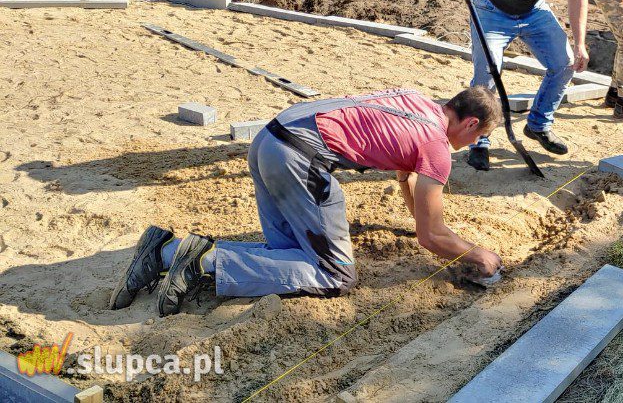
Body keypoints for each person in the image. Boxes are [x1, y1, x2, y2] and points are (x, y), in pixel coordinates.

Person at [109, 87, 503, 316]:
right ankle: (204, 261)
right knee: (336, 275)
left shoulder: (415, 101)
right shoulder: (438, 146)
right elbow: (431, 235)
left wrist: (416, 213)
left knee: (291, 255)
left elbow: (408, 179)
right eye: (478, 137)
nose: (473, 145)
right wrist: (477, 255)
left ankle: (164, 252)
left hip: (270, 138)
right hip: (301, 157)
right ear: (470, 124)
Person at [445, 0, 595, 171]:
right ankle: (480, 139)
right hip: (489, 6)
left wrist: (580, 43)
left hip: (532, 9)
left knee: (564, 63)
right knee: (488, 72)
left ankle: (538, 124)